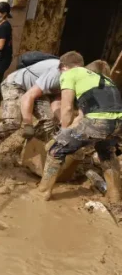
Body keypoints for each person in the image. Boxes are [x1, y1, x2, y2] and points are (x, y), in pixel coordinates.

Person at [35, 51, 122, 204]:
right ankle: (114, 197)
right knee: (106, 154)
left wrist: (62, 134)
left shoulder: (69, 74)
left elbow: (67, 108)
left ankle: (42, 192)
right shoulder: (102, 78)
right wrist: (69, 131)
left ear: (63, 67)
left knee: (56, 150)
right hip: (117, 123)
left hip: (99, 121)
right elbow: (82, 116)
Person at [0, 54, 62, 165]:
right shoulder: (58, 72)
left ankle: (24, 154)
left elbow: (57, 102)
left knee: (49, 121)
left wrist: (62, 124)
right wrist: (28, 124)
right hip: (16, 84)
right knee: (12, 122)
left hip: (36, 90)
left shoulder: (72, 81)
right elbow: (28, 97)